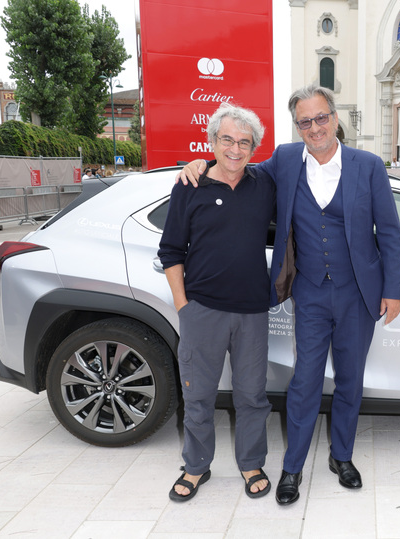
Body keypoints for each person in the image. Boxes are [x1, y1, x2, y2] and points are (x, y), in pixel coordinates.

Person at [178, 83, 400, 506]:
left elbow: (390, 232)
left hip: (360, 292)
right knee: (305, 381)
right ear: (297, 126)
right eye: (305, 121)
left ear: (335, 118)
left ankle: (342, 457)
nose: (315, 127)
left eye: (321, 118)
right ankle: (293, 467)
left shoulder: (368, 165)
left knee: (351, 380)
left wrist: (394, 289)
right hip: (310, 292)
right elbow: (236, 167)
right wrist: (200, 162)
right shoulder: (284, 160)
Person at [160, 103, 276, 502]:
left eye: (245, 142)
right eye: (227, 139)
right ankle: (195, 467)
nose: (235, 148)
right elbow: (171, 250)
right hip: (202, 311)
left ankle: (250, 462)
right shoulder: (189, 186)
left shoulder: (264, 185)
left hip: (252, 313)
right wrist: (184, 308)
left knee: (251, 396)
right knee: (198, 396)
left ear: (254, 148)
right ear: (212, 141)